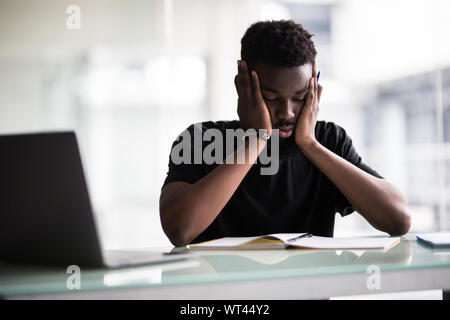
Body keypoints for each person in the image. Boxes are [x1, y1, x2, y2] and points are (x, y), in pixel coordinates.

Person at [159, 20, 410, 247]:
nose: (287, 113)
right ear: (242, 84)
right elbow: (180, 230)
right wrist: (257, 140)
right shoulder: (200, 139)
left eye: (299, 98)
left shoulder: (329, 141)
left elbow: (398, 220)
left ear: (313, 88)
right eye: (271, 98)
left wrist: (310, 145)